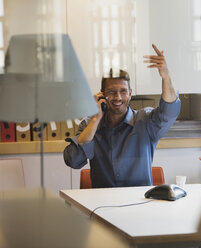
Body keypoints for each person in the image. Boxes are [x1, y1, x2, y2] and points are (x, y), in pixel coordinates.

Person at [63, 44, 181, 187]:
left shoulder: (146, 121)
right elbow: (73, 160)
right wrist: (95, 119)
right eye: (112, 92)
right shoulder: (89, 125)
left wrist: (166, 77)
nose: (118, 97)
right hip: (102, 206)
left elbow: (169, 112)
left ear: (130, 93)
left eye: (123, 91)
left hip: (139, 205)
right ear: (102, 94)